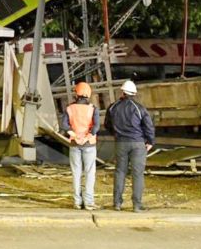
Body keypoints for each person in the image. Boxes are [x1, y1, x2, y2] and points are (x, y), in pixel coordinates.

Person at [105, 80, 155, 212]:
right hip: (137, 144)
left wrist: (116, 135)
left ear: (122, 92)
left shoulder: (112, 107)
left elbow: (107, 125)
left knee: (120, 172)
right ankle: (137, 205)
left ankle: (117, 203)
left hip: (120, 143)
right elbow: (148, 126)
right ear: (134, 94)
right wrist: (150, 141)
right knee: (137, 174)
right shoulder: (139, 108)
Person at [61, 81, 100, 210]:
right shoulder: (93, 108)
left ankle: (77, 202)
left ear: (76, 93)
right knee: (89, 173)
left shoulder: (69, 108)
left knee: (76, 173)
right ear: (88, 94)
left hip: (74, 143)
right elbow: (96, 127)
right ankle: (89, 202)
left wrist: (75, 135)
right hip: (89, 144)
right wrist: (87, 136)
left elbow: (64, 125)